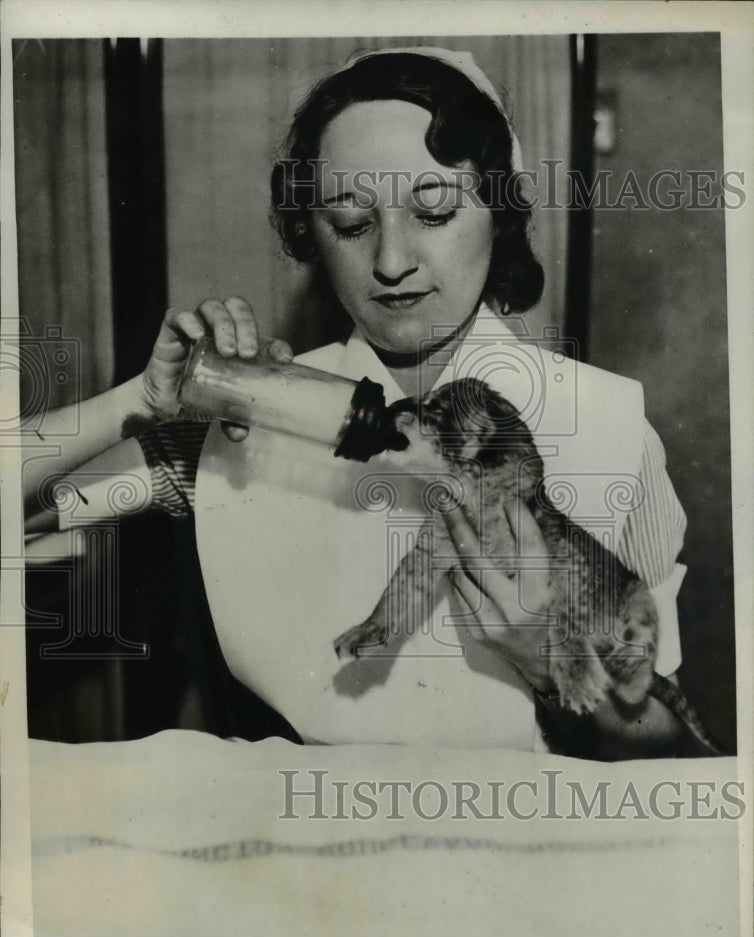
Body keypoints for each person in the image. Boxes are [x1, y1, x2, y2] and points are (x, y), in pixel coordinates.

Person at [23, 48, 690, 758]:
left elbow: (671, 750)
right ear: (310, 232)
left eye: (434, 211)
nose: (392, 261)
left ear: (498, 215)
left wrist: (549, 663)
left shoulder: (610, 427)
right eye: (350, 222)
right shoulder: (250, 423)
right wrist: (140, 399)